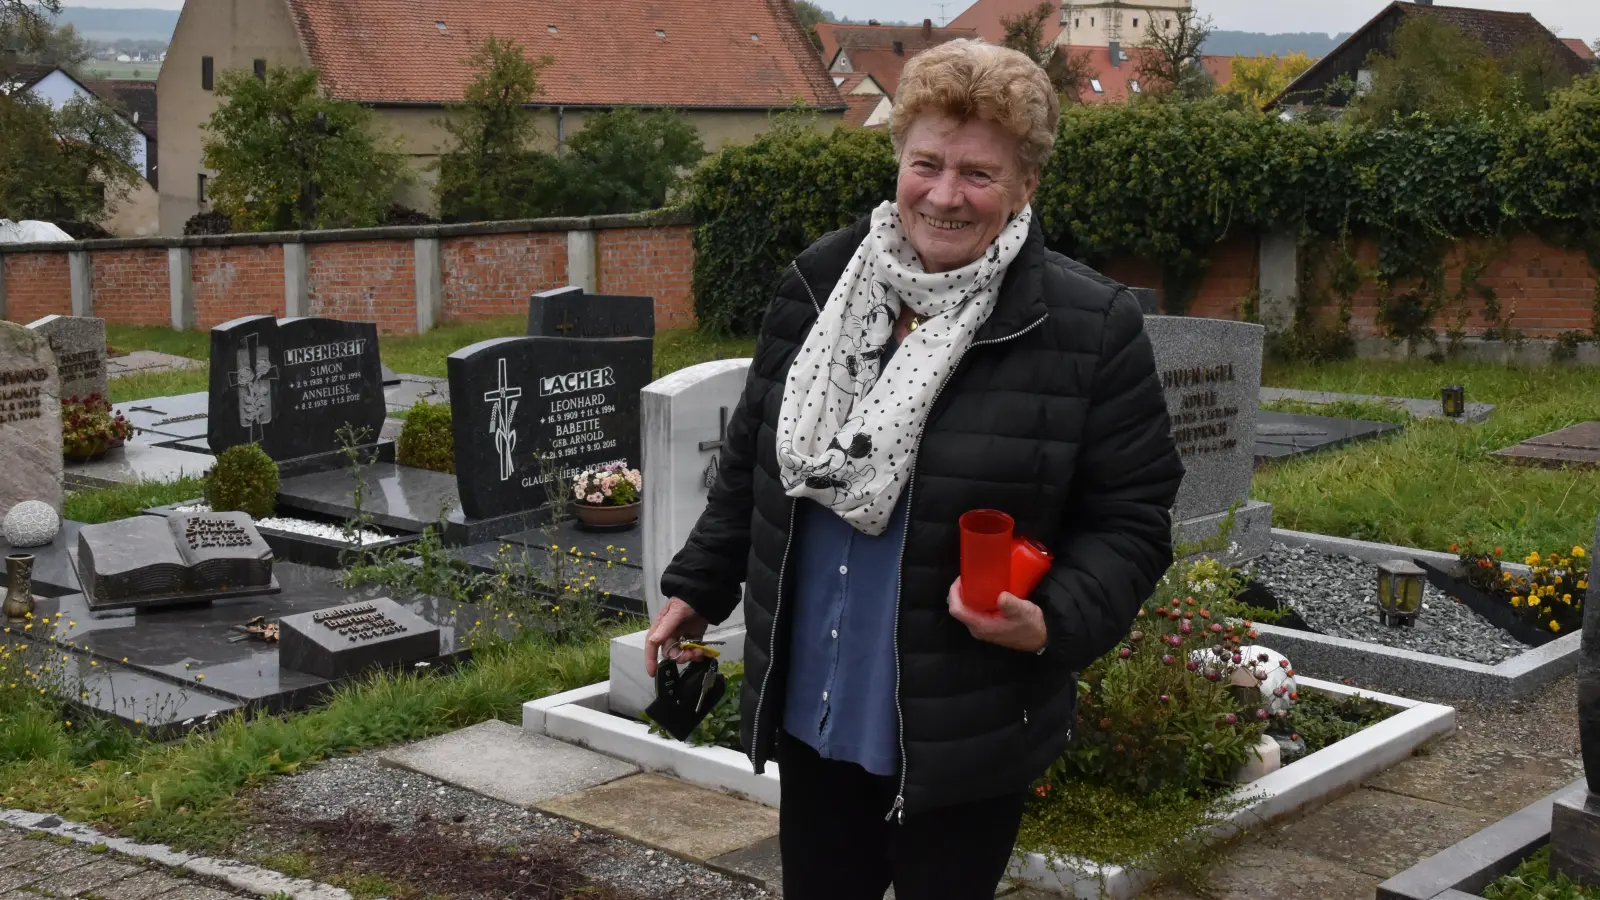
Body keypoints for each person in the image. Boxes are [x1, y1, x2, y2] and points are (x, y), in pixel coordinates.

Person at [646, 39, 1184, 898]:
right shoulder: (822, 282)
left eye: (978, 173)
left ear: (1026, 186)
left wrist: (1051, 622)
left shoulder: (1089, 326)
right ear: (898, 158)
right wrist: (698, 587)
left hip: (960, 719)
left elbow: (1132, 516)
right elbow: (758, 455)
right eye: (925, 162)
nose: (943, 195)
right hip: (815, 695)